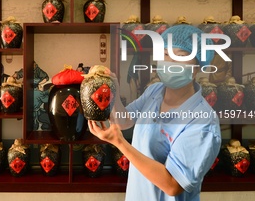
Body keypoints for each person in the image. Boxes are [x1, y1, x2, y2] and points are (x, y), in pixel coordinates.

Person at [88, 24, 221, 201]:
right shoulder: (155, 91)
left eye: (181, 56)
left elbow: (173, 184)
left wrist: (119, 142)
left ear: (197, 67)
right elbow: (124, 121)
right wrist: (114, 92)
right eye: (165, 54)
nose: (170, 62)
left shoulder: (203, 122)